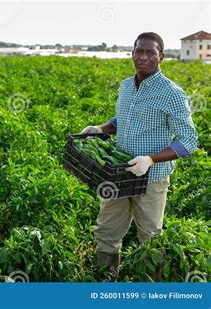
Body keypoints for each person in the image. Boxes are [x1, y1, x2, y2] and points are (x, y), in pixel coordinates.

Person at [80, 32, 198, 274]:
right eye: (139, 51)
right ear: (132, 54)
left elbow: (189, 140)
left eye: (150, 52)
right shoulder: (125, 85)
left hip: (151, 178)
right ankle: (106, 279)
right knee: (107, 229)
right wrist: (100, 129)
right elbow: (123, 119)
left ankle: (149, 288)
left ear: (161, 56)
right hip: (118, 174)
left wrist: (150, 159)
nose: (143, 57)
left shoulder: (172, 94)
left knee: (150, 236)